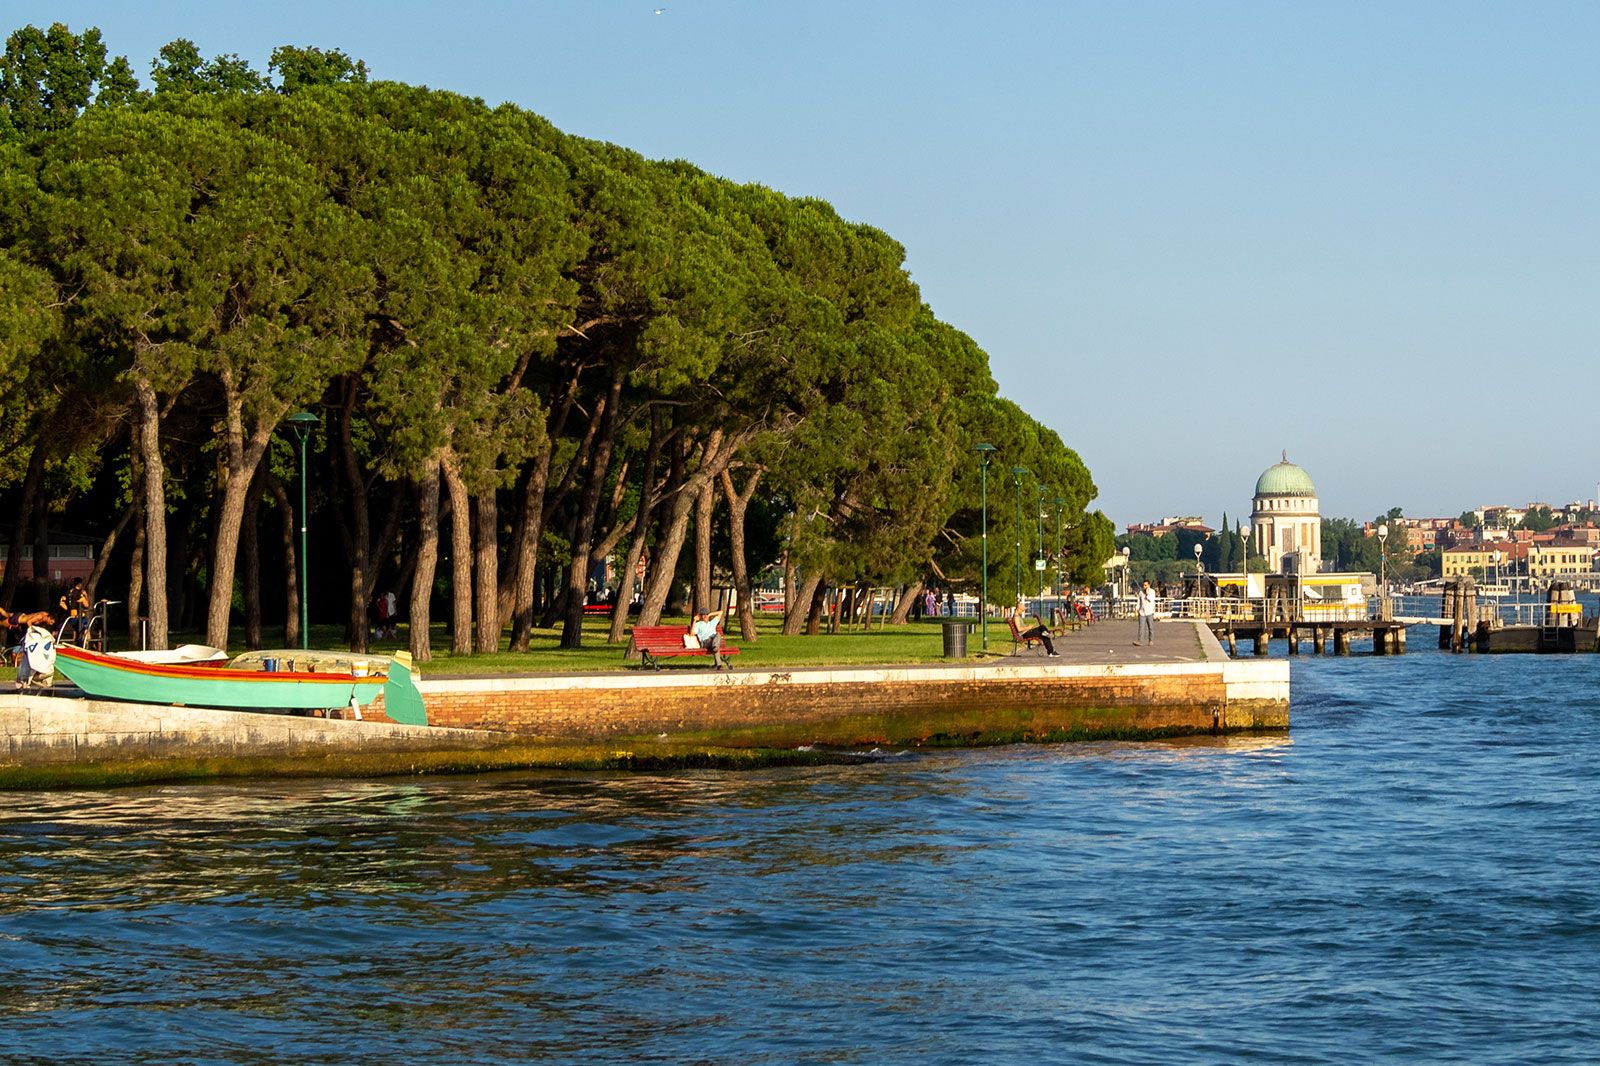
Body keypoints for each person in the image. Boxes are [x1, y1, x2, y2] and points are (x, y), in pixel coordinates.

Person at [691, 605, 728, 670]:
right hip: (705, 642)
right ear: (700, 616)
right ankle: (715, 648)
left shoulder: (712, 623)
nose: (705, 616)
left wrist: (710, 614)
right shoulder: (698, 624)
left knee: (717, 635)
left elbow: (721, 612)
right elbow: (692, 634)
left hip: (713, 641)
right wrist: (694, 621)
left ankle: (719, 665)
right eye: (703, 615)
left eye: (706, 614)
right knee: (716, 643)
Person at [58, 578, 90, 643]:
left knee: (75, 631)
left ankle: (75, 645)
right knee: (86, 630)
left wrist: (68, 609)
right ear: (79, 584)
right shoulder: (80, 593)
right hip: (80, 615)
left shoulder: (68, 592)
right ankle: (85, 645)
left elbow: (61, 603)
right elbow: (86, 605)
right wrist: (86, 596)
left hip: (71, 615)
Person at [1135, 579, 1157, 645]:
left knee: (1150, 627)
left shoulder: (1152, 592)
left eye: (1145, 585)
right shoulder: (1141, 592)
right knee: (1141, 627)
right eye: (1143, 585)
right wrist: (1137, 608)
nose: (1144, 586)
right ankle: (1140, 641)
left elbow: (1151, 599)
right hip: (1142, 612)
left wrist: (1147, 594)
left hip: (1149, 612)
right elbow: (1139, 601)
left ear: (1149, 585)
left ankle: (1151, 640)